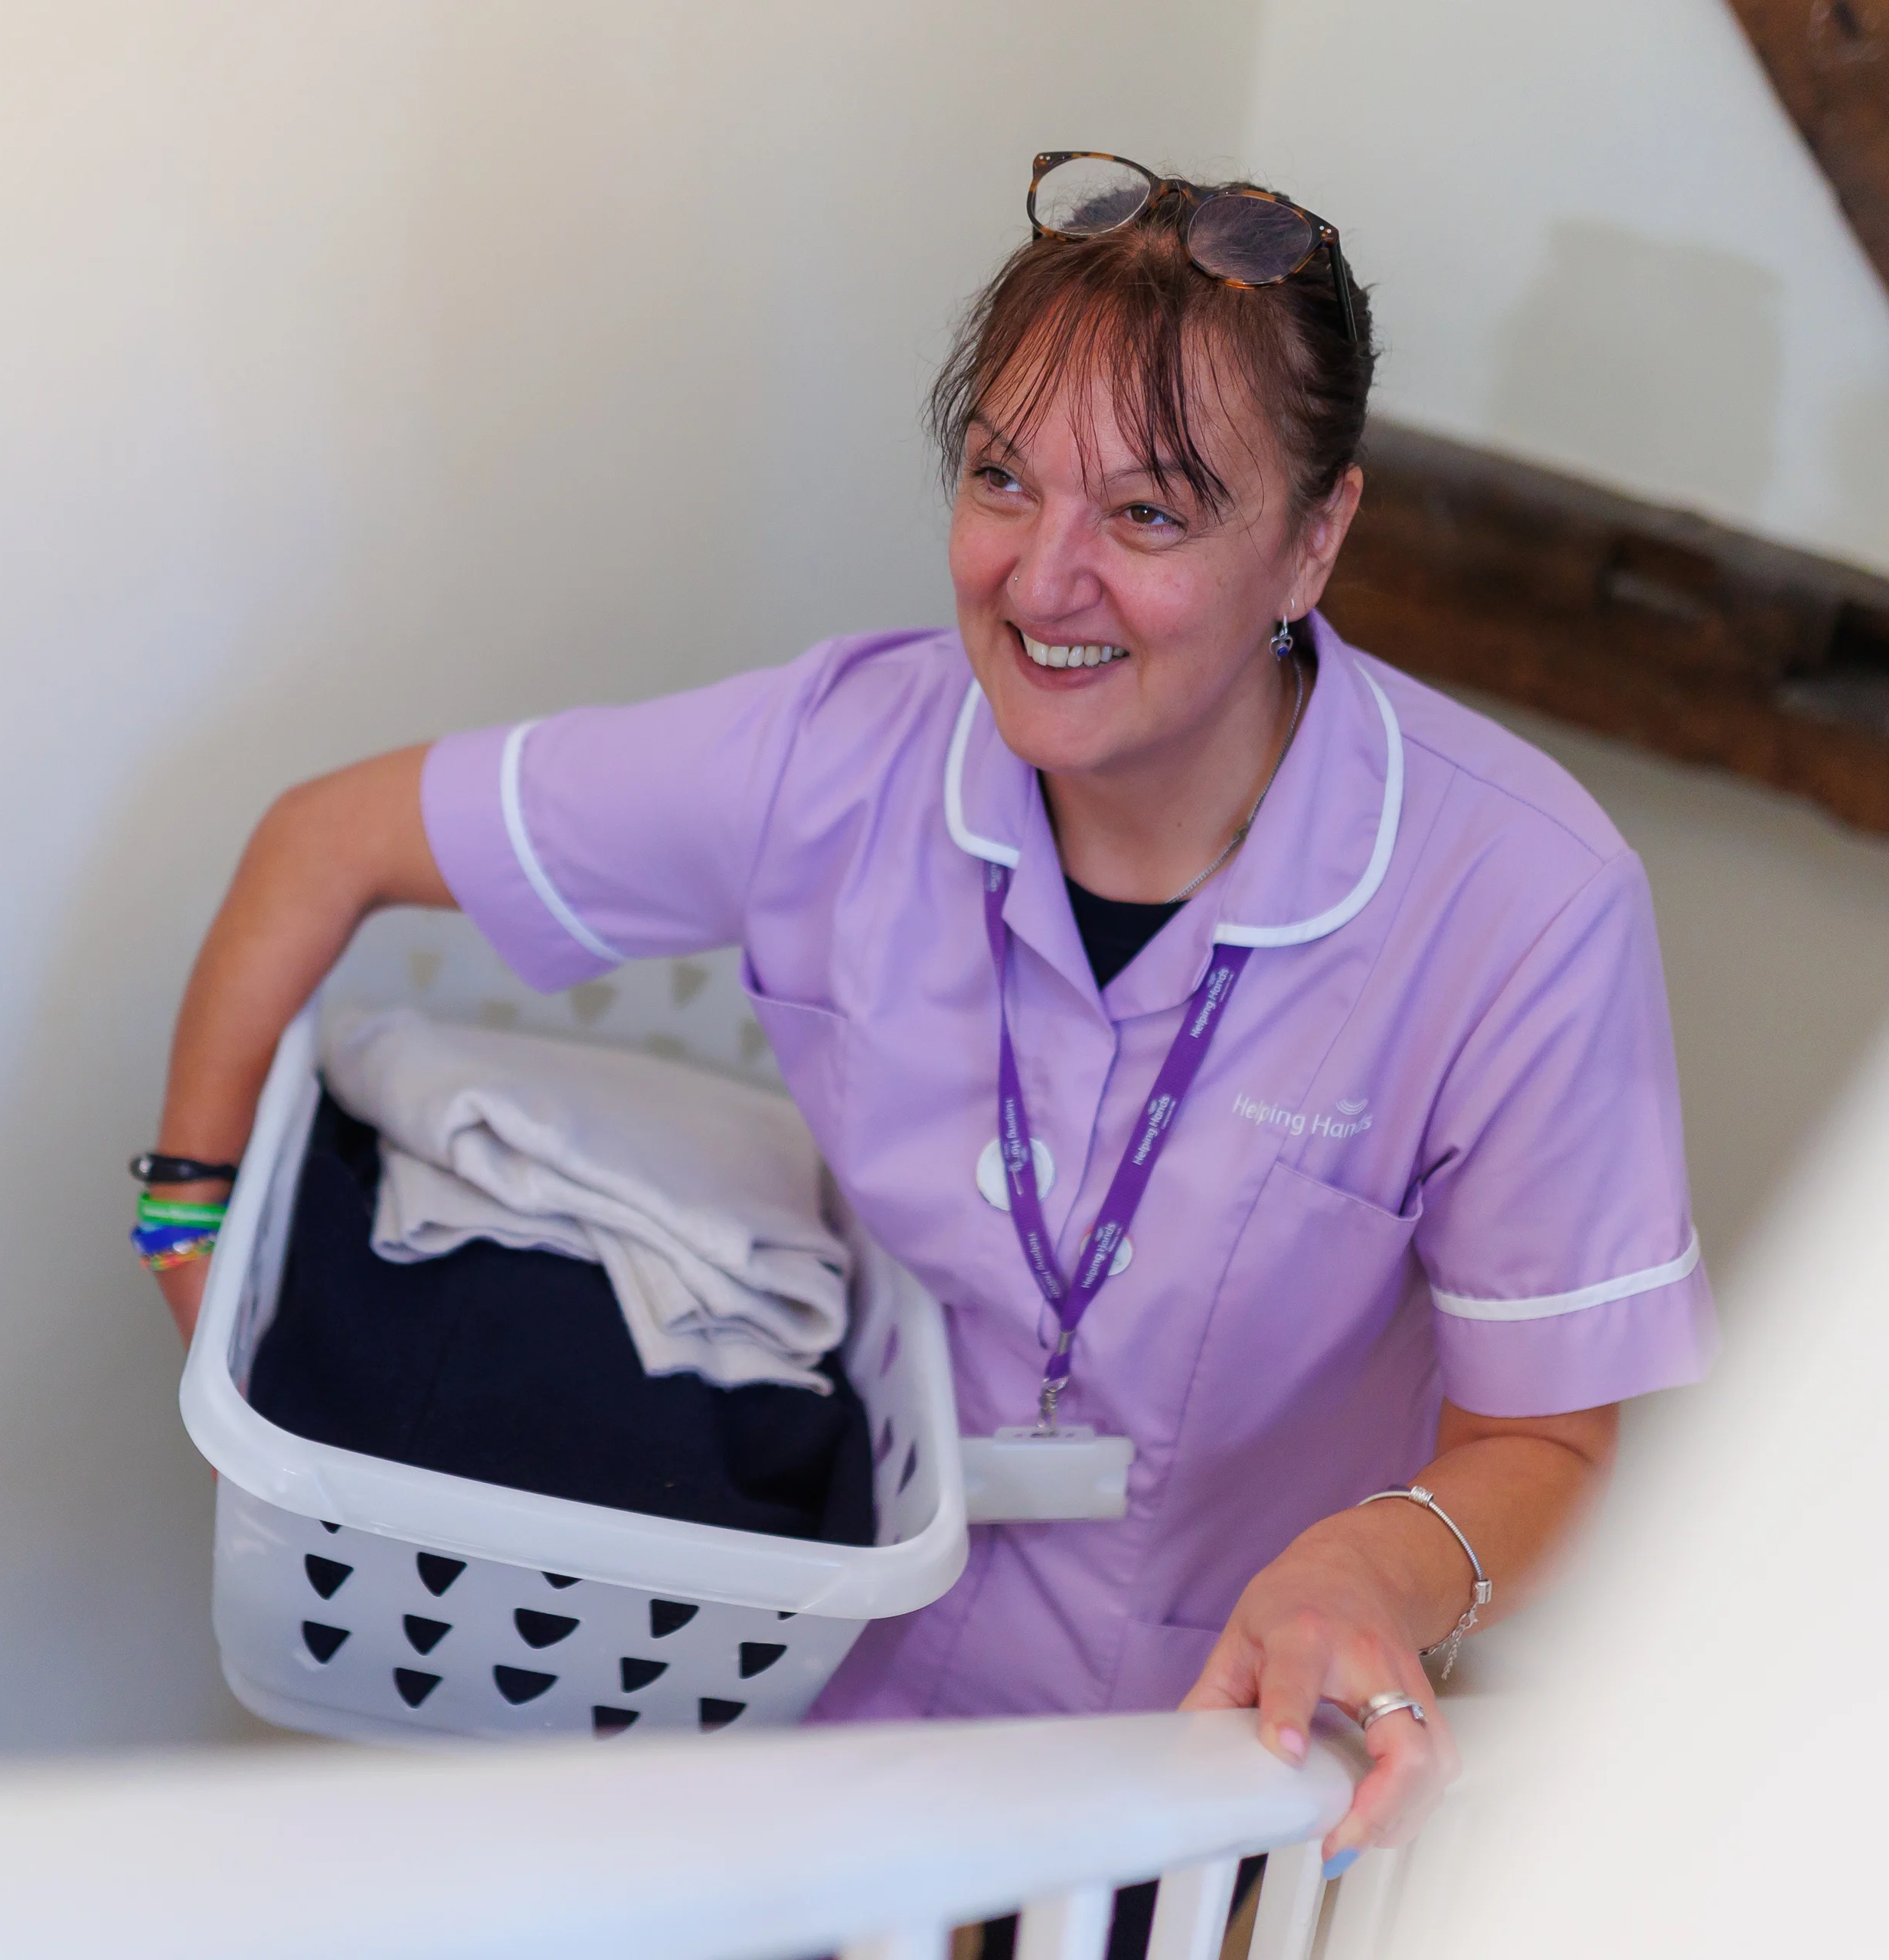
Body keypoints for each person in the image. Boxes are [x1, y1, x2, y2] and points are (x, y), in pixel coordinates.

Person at [136, 154, 1714, 1884]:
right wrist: (185, 1218)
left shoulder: (1519, 898)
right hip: (809, 1732)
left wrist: (1376, 1565)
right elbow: (321, 843)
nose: (1042, 581)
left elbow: (1551, 1433)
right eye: (999, 479)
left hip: (1218, 1772)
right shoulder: (837, 759)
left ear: (1313, 536)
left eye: (1147, 513)